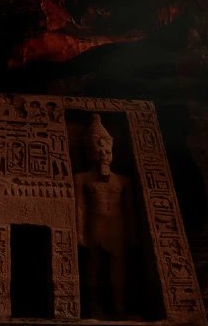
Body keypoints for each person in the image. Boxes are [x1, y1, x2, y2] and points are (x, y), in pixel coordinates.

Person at [74, 114, 136, 317]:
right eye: (99, 151)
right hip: (94, 225)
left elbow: (129, 210)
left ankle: (119, 307)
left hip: (117, 227)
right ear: (90, 153)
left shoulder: (123, 181)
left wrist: (133, 233)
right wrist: (79, 233)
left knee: (118, 270)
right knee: (93, 268)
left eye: (107, 152)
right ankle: (94, 307)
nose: (103, 155)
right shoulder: (81, 178)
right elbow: (80, 207)